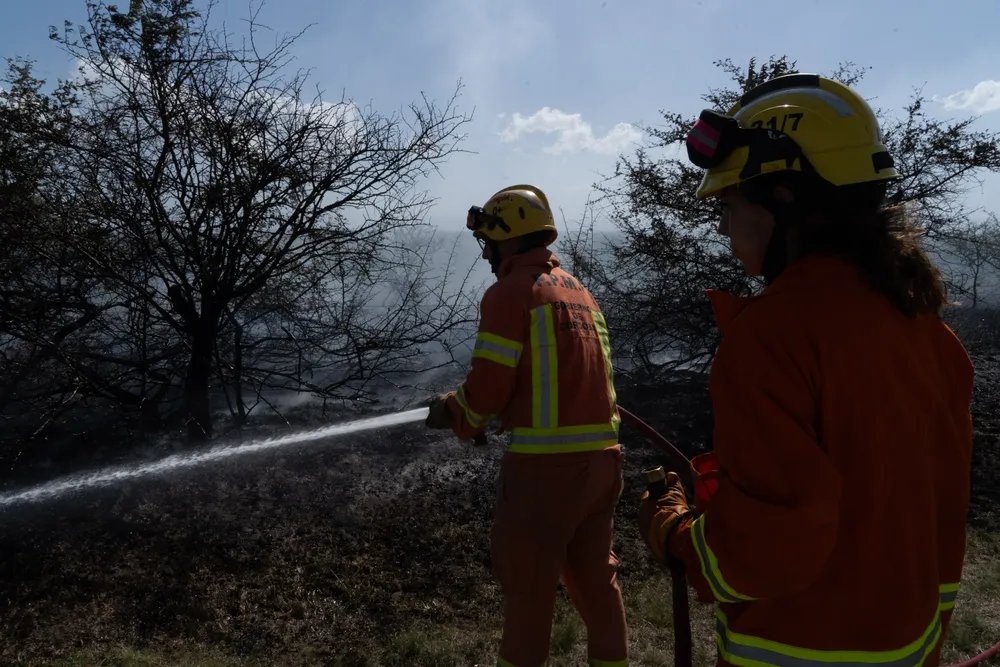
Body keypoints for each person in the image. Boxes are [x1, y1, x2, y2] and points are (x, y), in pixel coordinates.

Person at [637, 74, 975, 667]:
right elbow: (933, 511)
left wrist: (675, 537)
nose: (721, 225)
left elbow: (763, 551)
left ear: (784, 198)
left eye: (730, 203)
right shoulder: (926, 328)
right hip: (910, 644)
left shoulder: (773, 335)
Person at [425, 184, 629, 667]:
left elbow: (489, 387)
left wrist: (458, 413)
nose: (486, 257)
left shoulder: (509, 293)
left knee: (529, 589)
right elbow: (558, 379)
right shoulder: (581, 293)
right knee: (597, 584)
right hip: (602, 466)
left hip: (546, 474)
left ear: (506, 239)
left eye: (488, 245)